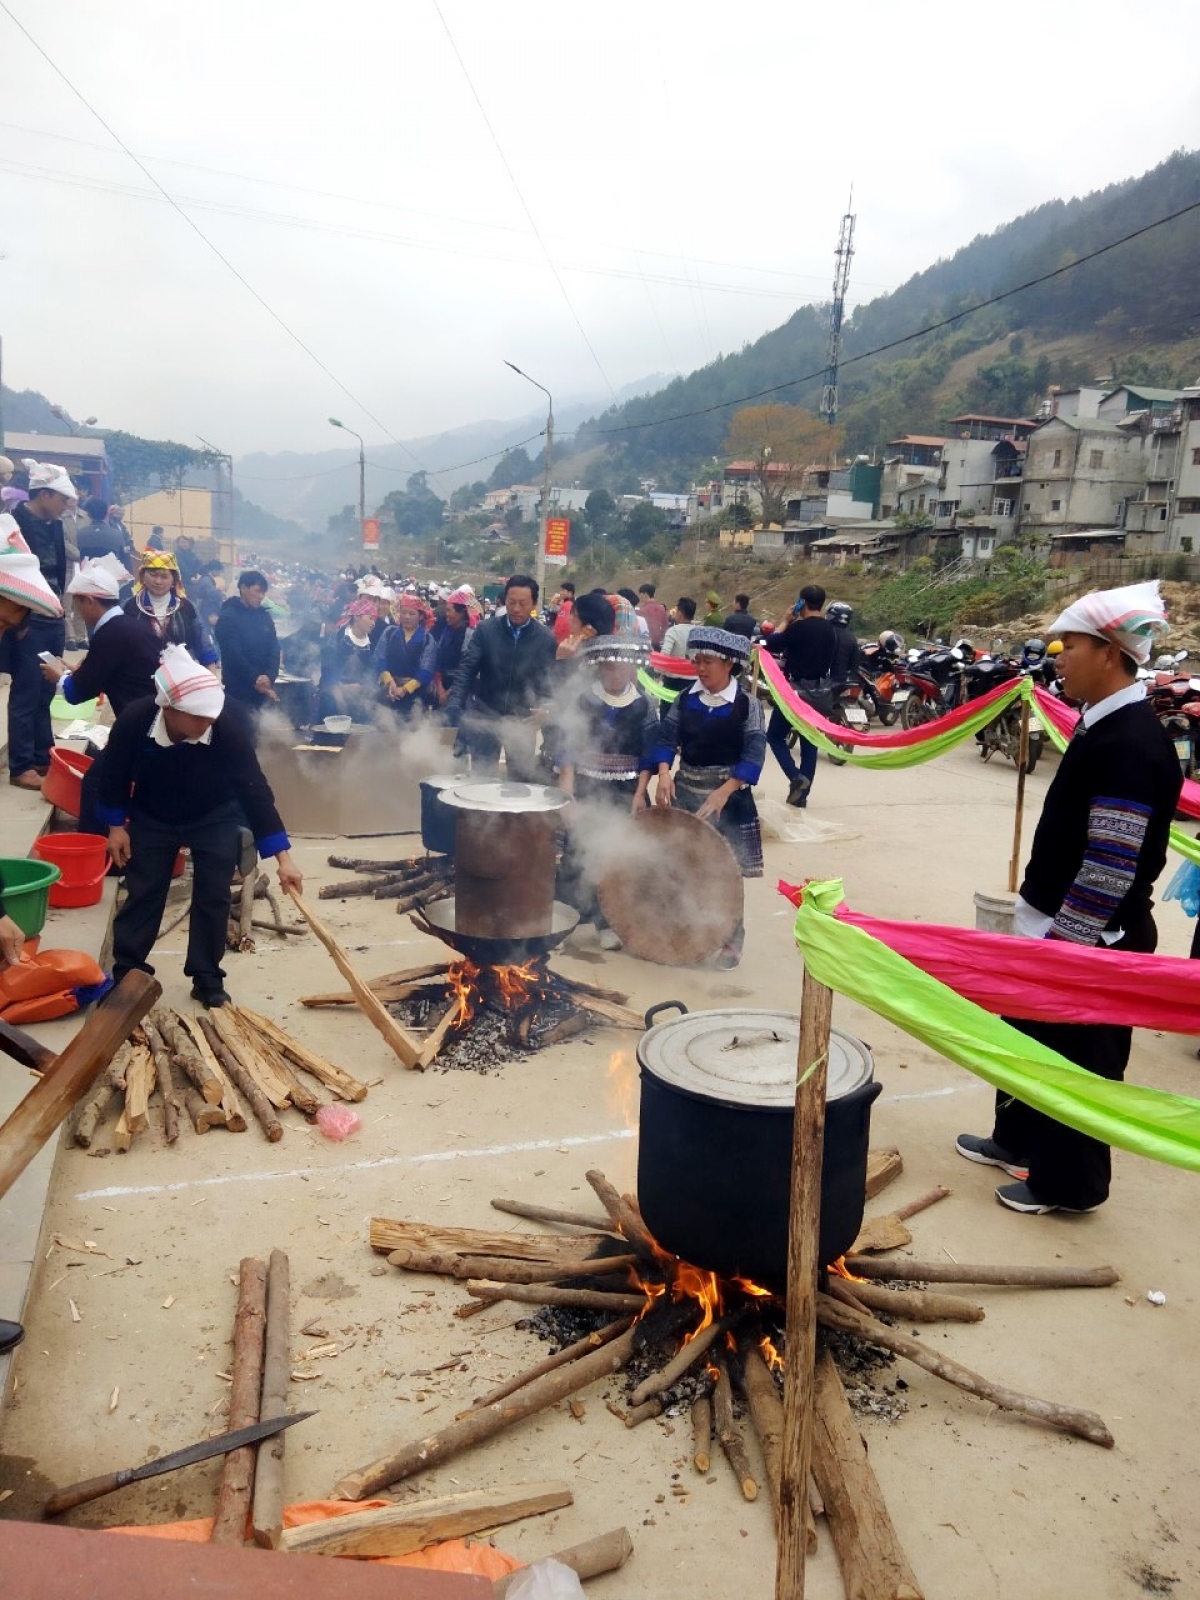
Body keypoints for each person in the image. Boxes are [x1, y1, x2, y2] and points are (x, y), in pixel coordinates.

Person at [956, 581, 1182, 1215]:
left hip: (1091, 939)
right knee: (1027, 1044)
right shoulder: (1100, 722)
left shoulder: (1132, 743)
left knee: (1078, 1066)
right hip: (1052, 925)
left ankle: (1069, 1186)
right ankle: (1016, 1140)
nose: (1057, 655)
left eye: (1070, 645)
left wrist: (1064, 951)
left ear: (1109, 653)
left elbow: (1111, 865)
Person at [97, 645, 302, 1008]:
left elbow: (254, 790)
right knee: (144, 890)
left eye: (211, 717)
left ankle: (206, 976)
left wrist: (284, 858)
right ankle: (128, 972)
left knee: (214, 893)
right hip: (152, 814)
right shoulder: (136, 720)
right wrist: (116, 826)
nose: (206, 724)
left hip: (214, 813)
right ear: (168, 708)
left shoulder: (226, 727)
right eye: (197, 718)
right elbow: (111, 774)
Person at [645, 626, 765, 967]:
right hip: (686, 793)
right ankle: (689, 934)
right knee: (685, 868)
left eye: (708, 661)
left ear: (729, 664)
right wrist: (665, 772)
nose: (700, 668)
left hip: (730, 800)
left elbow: (754, 753)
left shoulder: (747, 705)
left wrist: (725, 791)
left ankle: (731, 942)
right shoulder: (686, 699)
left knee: (727, 874)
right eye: (697, 660)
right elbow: (666, 740)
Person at [553, 630, 659, 950]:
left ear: (633, 670)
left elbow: (648, 756)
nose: (615, 674)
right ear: (599, 668)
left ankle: (607, 922)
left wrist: (640, 794)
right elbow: (567, 747)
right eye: (609, 668)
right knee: (574, 854)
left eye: (622, 668)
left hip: (624, 792)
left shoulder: (644, 705)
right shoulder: (584, 700)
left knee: (615, 858)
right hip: (586, 786)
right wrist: (567, 792)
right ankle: (561, 922)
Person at [445, 573, 557, 781]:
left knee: (519, 781)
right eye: (511, 602)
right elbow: (468, 668)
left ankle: (515, 814)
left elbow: (548, 682)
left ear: (534, 603)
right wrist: (455, 703)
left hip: (522, 720)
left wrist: (547, 707)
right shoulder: (486, 630)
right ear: (504, 600)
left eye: (523, 603)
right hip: (486, 715)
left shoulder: (545, 638)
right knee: (482, 778)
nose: (516, 609)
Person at [4, 460, 71, 788]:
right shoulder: (12, 525)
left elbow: (57, 573)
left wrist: (60, 613)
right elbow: (9, 578)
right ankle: (20, 765)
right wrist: (19, 622)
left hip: (53, 620)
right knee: (26, 693)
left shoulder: (55, 526)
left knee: (47, 691)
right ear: (44, 494)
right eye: (61, 498)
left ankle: (44, 756)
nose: (65, 505)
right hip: (27, 623)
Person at [41, 560, 159, 719]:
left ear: (89, 601)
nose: (78, 611)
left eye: (77, 604)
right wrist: (80, 672)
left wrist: (58, 677)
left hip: (139, 722)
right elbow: (111, 674)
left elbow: (77, 693)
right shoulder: (129, 625)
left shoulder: (110, 633)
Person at [764, 584, 836, 808]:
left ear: (802, 603)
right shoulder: (830, 630)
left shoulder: (798, 628)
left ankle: (796, 778)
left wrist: (786, 620)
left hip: (794, 693)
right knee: (809, 743)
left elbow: (770, 643)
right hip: (818, 692)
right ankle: (801, 797)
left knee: (775, 736)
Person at [125, 551, 216, 664]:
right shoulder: (129, 608)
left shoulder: (186, 607)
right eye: (153, 575)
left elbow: (204, 647)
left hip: (180, 676)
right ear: (143, 576)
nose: (158, 581)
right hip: (138, 677)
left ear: (174, 580)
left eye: (164, 576)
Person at [214, 570, 280, 716]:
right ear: (243, 588)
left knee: (263, 730)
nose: (261, 596)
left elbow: (274, 647)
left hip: (264, 686)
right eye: (257, 591)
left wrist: (269, 675)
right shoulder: (228, 617)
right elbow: (233, 653)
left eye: (263, 592)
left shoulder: (264, 616)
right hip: (239, 687)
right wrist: (255, 677)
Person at [375, 591, 436, 717]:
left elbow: (426, 670)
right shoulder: (389, 632)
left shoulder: (427, 639)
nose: (406, 617)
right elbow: (380, 658)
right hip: (390, 689)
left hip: (416, 693)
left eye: (412, 613)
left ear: (420, 617)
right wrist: (390, 682)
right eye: (403, 612)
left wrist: (404, 690)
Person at [318, 597, 377, 720]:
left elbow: (371, 672)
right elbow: (327, 667)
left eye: (374, 619)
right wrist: (338, 688)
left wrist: (363, 687)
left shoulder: (372, 642)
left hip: (359, 695)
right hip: (333, 692)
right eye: (370, 618)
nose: (373, 623)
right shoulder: (338, 637)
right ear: (357, 617)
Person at [431, 586, 475, 709]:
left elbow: (467, 668)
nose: (446, 614)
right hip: (442, 687)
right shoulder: (446, 631)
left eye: (449, 611)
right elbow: (438, 659)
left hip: (461, 693)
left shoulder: (470, 634)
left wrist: (448, 693)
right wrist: (440, 688)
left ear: (461, 613)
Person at [659, 596, 697, 694]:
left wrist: (659, 671)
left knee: (668, 708)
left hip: (674, 681)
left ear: (680, 614)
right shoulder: (699, 632)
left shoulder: (673, 631)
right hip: (694, 681)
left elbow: (665, 654)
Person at [827, 601, 860, 685]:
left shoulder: (825, 632)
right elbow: (854, 663)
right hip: (842, 681)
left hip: (823, 682)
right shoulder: (851, 637)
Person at [637, 582, 671, 648]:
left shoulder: (641, 610)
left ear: (645, 594)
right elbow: (665, 627)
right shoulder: (662, 609)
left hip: (645, 645)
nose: (639, 596)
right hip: (659, 645)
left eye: (640, 593)